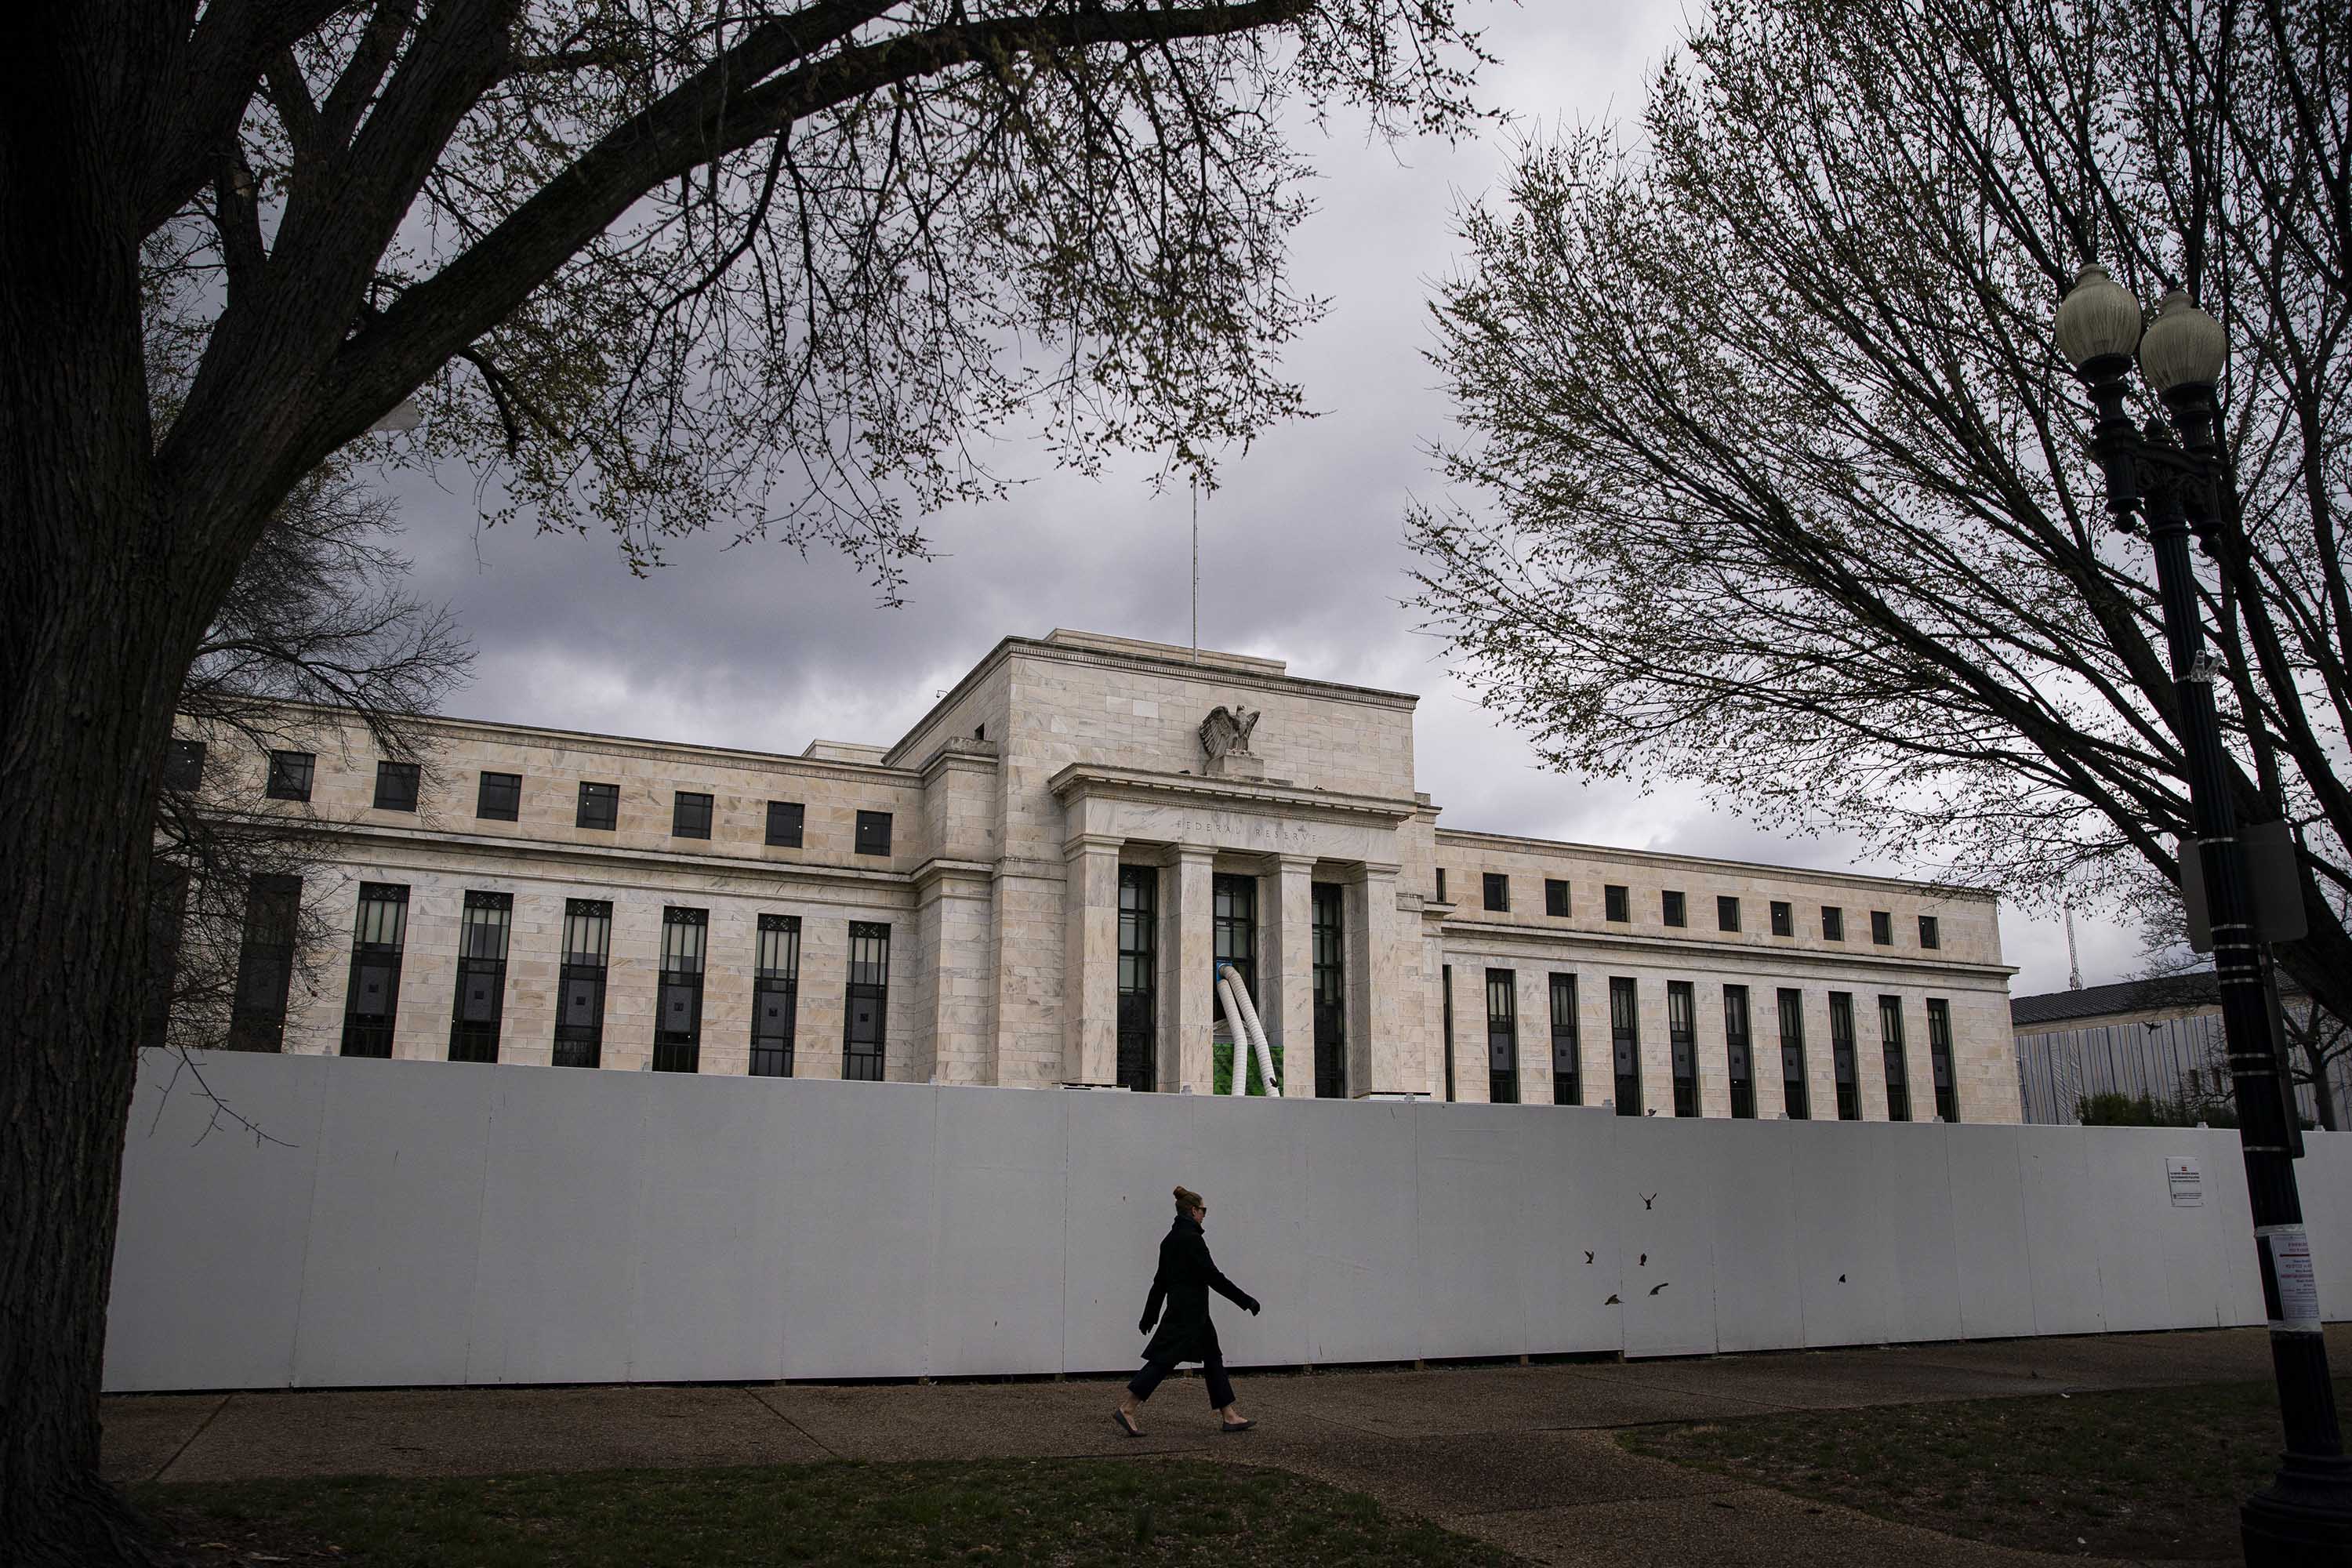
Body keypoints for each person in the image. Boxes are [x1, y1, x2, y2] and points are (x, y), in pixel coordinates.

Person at [1113, 1185, 1260, 1436]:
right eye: (1203, 1210)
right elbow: (1213, 1277)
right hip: (1188, 1315)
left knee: (1213, 1359)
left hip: (1191, 1314)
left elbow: (1160, 1281)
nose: (1204, 1215)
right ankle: (1127, 1409)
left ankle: (1230, 1416)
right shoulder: (1192, 1240)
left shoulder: (1169, 1241)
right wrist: (1245, 1300)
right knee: (1162, 1360)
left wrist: (1150, 1313)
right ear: (1193, 1211)